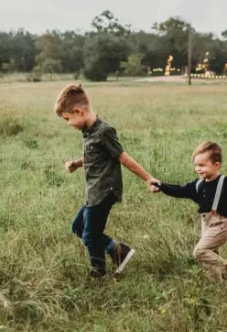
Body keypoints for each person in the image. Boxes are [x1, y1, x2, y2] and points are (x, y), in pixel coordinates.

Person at [56, 83, 160, 278]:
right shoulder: (88, 131)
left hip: (104, 191)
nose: (68, 123)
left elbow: (123, 158)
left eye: (67, 119)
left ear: (78, 111)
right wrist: (77, 164)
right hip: (93, 191)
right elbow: (95, 156)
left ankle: (99, 272)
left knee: (90, 235)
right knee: (78, 227)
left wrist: (148, 178)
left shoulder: (104, 131)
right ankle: (118, 251)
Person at [153, 141, 227, 286]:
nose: (198, 169)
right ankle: (224, 284)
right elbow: (179, 190)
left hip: (220, 225)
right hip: (206, 224)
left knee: (200, 252)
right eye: (196, 165)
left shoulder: (224, 182)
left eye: (202, 165)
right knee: (211, 259)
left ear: (216, 165)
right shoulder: (198, 184)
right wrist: (161, 186)